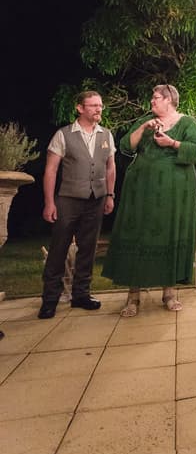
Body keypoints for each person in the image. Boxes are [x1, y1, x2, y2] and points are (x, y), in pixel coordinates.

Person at [102, 84, 196, 316]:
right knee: (137, 235)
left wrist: (172, 143)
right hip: (141, 190)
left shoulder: (187, 123)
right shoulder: (146, 121)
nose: (152, 101)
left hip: (173, 192)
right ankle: (133, 297)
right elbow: (126, 147)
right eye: (153, 97)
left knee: (169, 235)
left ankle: (169, 293)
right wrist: (143, 128)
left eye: (156, 98)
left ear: (169, 100)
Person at [39, 90, 116, 319]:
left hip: (97, 199)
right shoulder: (63, 135)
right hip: (68, 199)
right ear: (80, 108)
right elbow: (51, 171)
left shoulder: (106, 135)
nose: (98, 109)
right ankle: (50, 300)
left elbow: (110, 167)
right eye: (93, 106)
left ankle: (81, 295)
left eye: (100, 105)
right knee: (58, 249)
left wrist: (110, 195)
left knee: (88, 249)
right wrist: (49, 202)